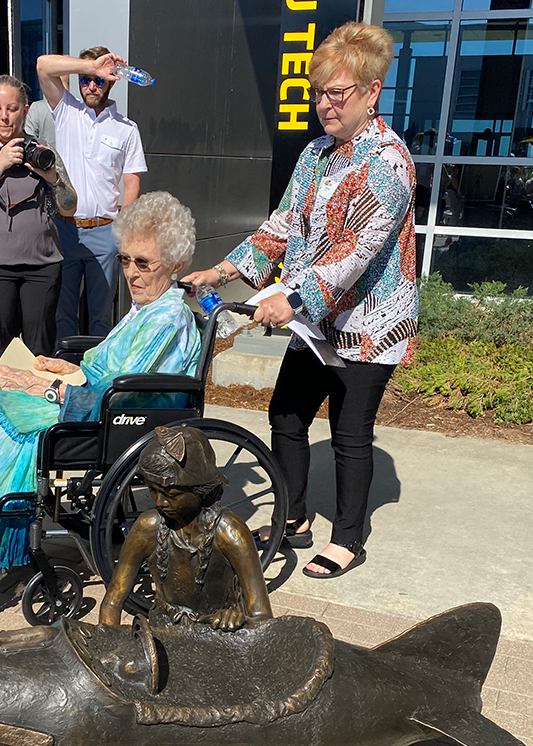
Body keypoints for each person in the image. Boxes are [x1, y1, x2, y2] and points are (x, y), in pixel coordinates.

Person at [184, 21, 417, 579]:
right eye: (318, 93)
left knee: (349, 435)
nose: (323, 105)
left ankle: (349, 538)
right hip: (314, 323)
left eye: (337, 93)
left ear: (372, 91)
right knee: (286, 415)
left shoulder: (389, 162)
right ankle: (292, 517)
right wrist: (222, 272)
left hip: (369, 326)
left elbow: (354, 255)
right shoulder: (315, 153)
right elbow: (282, 225)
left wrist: (292, 296)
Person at [0, 191, 201, 587]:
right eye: (125, 259)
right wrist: (67, 368)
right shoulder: (147, 308)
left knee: (0, 422)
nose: (131, 272)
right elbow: (106, 370)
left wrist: (46, 387)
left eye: (143, 262)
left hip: (115, 419)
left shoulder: (166, 318)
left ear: (175, 264)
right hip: (97, 403)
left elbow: (122, 393)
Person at [100, 424, 274, 631]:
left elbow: (262, 617)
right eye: (153, 490)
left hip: (218, 633)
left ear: (201, 489)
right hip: (164, 631)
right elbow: (113, 601)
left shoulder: (229, 532)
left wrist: (239, 619)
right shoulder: (148, 527)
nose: (160, 502)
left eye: (172, 494)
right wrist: (108, 640)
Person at [0, 74, 77, 365]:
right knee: (2, 354)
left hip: (42, 265)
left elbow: (69, 207)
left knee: (40, 352)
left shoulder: (43, 149)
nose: (4, 117)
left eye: (11, 109)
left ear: (25, 110)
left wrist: (52, 178)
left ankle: (38, 395)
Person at [37, 46, 147, 340]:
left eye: (99, 80)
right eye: (86, 79)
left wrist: (122, 233)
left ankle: (98, 366)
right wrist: (90, 66)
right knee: (63, 312)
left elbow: (132, 185)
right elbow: (43, 65)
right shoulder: (66, 110)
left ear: (111, 81)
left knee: (101, 314)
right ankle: (65, 365)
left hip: (105, 232)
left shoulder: (127, 129)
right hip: (65, 230)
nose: (91, 86)